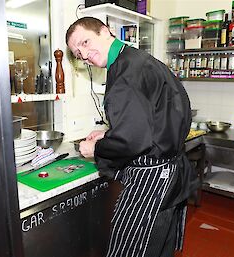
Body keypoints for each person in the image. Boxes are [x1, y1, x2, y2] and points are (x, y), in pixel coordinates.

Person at [66, 17, 198, 257]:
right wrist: (109, 133)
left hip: (150, 181)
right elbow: (152, 119)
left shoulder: (125, 73)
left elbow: (132, 140)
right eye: (77, 53)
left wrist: (94, 149)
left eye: (85, 42)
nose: (84, 54)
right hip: (170, 173)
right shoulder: (138, 60)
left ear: (105, 31)